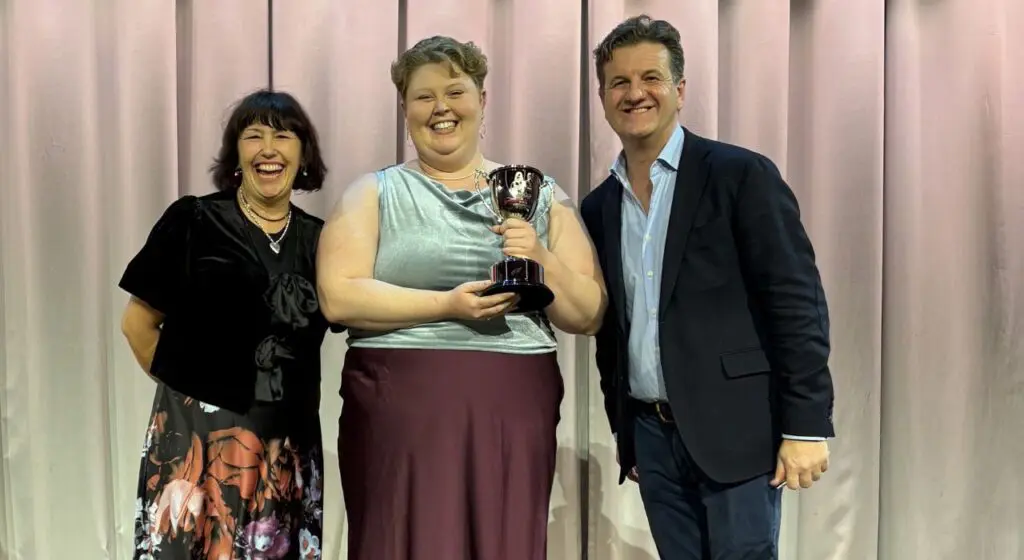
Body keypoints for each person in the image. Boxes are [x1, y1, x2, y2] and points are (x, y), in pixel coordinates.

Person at [316, 35, 606, 560]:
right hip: (397, 404)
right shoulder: (372, 193)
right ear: (405, 110)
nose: (441, 108)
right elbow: (338, 298)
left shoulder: (539, 195)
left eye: (455, 91)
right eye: (423, 97)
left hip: (512, 400)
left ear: (482, 99)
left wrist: (541, 256)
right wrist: (446, 305)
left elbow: (587, 314)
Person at [580, 15, 836, 559]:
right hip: (651, 436)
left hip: (738, 428)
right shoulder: (598, 206)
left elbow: (796, 304)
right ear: (601, 96)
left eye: (650, 77)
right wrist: (627, 433)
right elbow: (612, 333)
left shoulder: (739, 175)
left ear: (679, 89)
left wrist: (807, 425)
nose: (635, 94)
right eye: (618, 83)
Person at [119, 89, 337, 560]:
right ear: (237, 152)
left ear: (303, 154)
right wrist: (194, 396)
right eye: (253, 135)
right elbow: (137, 325)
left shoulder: (323, 241)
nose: (268, 149)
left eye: (283, 136)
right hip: (199, 441)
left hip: (288, 447)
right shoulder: (195, 220)